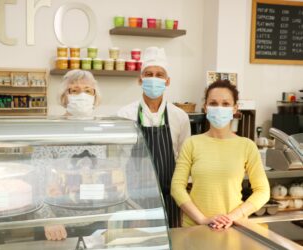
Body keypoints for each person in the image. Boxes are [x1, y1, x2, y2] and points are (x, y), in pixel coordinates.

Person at [171, 80, 270, 230]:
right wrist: (203, 219)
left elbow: (263, 191)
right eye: (213, 103)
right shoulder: (192, 144)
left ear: (235, 108)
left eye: (225, 104)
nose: (219, 108)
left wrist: (233, 216)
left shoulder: (247, 146)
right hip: (195, 227)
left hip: (232, 226)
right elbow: (177, 187)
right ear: (205, 107)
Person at [117, 47, 191, 228]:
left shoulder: (179, 116)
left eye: (159, 75)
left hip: (171, 198)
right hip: (135, 201)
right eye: (148, 74)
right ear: (140, 79)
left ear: (167, 81)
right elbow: (118, 162)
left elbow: (184, 161)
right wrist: (128, 203)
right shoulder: (124, 115)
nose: (153, 78)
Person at [34, 70, 105, 241]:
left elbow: (105, 175)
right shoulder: (50, 132)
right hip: (58, 226)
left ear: (95, 97)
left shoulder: (102, 131)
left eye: (88, 90)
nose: (82, 95)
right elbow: (37, 180)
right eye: (74, 90)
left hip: (96, 223)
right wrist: (48, 219)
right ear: (64, 97)